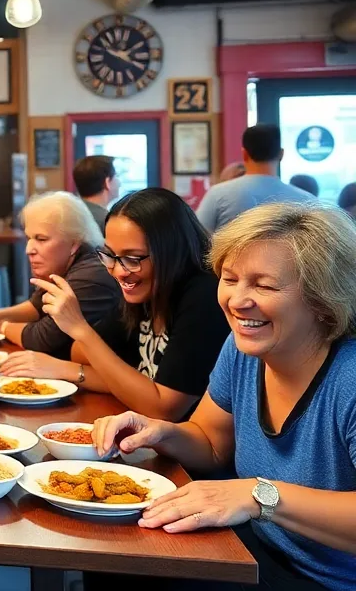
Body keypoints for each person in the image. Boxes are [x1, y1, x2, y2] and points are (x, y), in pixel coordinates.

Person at [90, 203, 356, 590]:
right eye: (229, 279)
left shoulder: (348, 376)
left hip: (326, 580)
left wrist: (259, 495)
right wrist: (162, 432)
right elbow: (212, 442)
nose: (237, 301)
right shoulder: (244, 347)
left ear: (323, 298)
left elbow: (256, 495)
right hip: (253, 550)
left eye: (263, 285)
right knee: (113, 557)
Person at [22, 188, 230, 420]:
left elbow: (164, 409)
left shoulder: (205, 297)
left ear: (170, 251)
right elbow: (80, 353)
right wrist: (70, 368)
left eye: (132, 258)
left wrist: (79, 329)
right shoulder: (146, 291)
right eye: (110, 255)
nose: (119, 271)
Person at [0, 192, 122, 360]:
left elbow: (41, 339)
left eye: (41, 239)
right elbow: (36, 305)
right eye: (29, 238)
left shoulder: (91, 275)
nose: (29, 249)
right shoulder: (70, 263)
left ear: (74, 243)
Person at [195, 124, 313, 233]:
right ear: (281, 154)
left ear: (244, 154)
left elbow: (197, 237)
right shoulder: (306, 200)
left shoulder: (218, 194)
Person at [72, 155, 119, 233]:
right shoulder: (108, 222)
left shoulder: (69, 213)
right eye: (116, 176)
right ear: (107, 183)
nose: (119, 183)